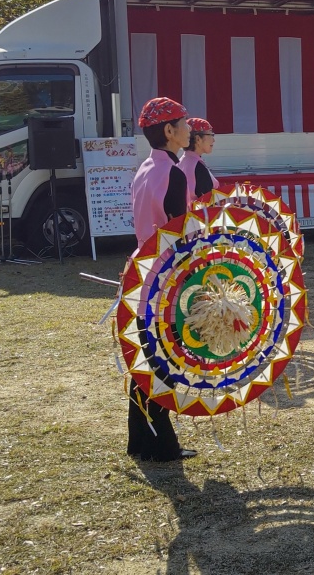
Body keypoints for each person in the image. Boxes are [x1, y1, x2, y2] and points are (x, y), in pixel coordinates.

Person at [127, 97, 197, 462]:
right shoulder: (173, 172)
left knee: (148, 356)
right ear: (169, 132)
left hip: (143, 269)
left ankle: (139, 441)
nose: (189, 129)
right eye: (184, 123)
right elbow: (180, 233)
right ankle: (161, 447)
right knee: (163, 361)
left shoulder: (145, 168)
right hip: (166, 274)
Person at [179, 117, 218, 201]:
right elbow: (208, 203)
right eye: (211, 135)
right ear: (198, 139)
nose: (213, 140)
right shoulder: (198, 167)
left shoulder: (181, 161)